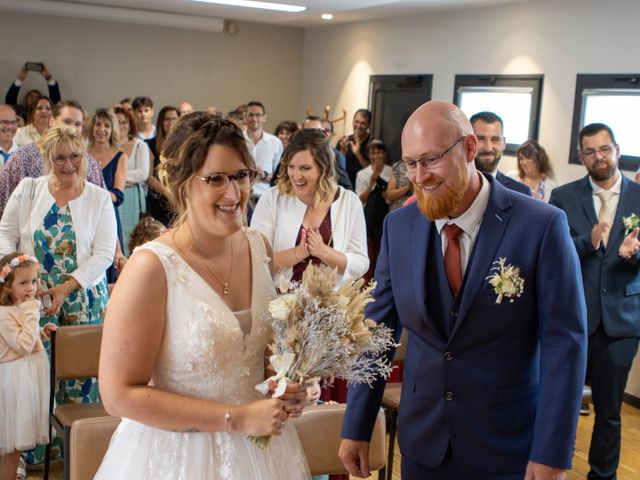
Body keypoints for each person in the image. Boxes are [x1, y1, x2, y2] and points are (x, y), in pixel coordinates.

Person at [339, 100, 587, 479]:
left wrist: (552, 451)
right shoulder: (400, 227)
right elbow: (378, 333)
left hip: (508, 444)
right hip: (423, 441)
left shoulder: (541, 226)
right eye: (411, 163)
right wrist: (357, 423)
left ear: (469, 149)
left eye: (431, 160)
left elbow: (564, 344)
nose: (419, 176)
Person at [94, 112, 310, 479]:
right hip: (178, 455)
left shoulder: (259, 249)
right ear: (180, 184)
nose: (234, 192)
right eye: (215, 179)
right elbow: (117, 395)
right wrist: (235, 418)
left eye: (241, 175)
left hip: (260, 450)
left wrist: (285, 383)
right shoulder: (151, 268)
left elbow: (265, 355)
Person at [0, 126, 116, 465]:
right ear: (48, 159)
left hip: (82, 299)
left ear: (84, 157)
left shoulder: (97, 197)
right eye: (60, 158)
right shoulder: (29, 189)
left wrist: (67, 287)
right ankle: (31, 457)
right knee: (34, 376)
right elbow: (5, 235)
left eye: (75, 156)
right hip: (31, 300)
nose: (69, 165)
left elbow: (104, 253)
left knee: (80, 379)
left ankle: (78, 454)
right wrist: (20, 273)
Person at [549, 123, 640, 480]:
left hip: (621, 321)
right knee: (561, 406)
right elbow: (554, 254)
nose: (598, 157)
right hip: (574, 318)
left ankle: (603, 476)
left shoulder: (639, 196)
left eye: (604, 149)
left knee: (610, 412)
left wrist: (635, 254)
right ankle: (553, 468)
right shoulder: (563, 197)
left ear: (617, 150)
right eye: (590, 151)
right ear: (581, 156)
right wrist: (588, 240)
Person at [251, 128, 368, 288]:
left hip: (329, 307)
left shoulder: (349, 202)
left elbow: (361, 263)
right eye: (291, 166)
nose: (296, 176)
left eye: (305, 168)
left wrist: (323, 252)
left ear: (324, 167)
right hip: (277, 305)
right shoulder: (272, 198)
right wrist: (299, 252)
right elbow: (256, 260)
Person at [0, 253, 56, 480]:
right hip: (16, 381)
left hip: (28, 377)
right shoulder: (5, 314)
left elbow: (29, 340)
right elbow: (22, 345)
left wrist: (42, 334)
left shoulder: (22, 308)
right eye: (23, 283)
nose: (31, 288)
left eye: (34, 281)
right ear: (7, 286)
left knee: (17, 448)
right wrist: (33, 312)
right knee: (11, 448)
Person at [0, 100, 105, 217]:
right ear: (52, 121)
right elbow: (3, 202)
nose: (72, 128)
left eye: (78, 124)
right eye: (67, 121)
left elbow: (102, 208)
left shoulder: (90, 163)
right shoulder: (23, 157)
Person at [87, 108, 128, 281]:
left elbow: (117, 195)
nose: (101, 129)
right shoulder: (83, 153)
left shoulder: (120, 156)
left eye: (107, 125)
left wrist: (95, 193)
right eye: (98, 124)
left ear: (112, 130)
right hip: (86, 215)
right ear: (92, 127)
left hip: (108, 216)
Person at [114, 106, 150, 256]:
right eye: (116, 122)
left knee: (130, 238)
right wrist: (127, 178)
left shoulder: (140, 145)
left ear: (130, 124)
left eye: (124, 122)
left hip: (132, 198)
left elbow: (142, 174)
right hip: (112, 196)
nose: (121, 126)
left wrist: (116, 177)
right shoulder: (106, 147)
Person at [470, 111, 532, 196]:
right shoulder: (451, 186)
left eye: (495, 139)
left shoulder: (521, 193)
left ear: (504, 144)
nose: (488, 148)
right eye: (481, 139)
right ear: (469, 143)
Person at [146, 106, 179, 227]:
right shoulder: (150, 144)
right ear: (161, 122)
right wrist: (168, 194)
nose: (170, 122)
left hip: (179, 198)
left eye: (174, 119)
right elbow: (148, 177)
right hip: (159, 199)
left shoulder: (184, 144)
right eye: (167, 119)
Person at [244, 101, 284, 202]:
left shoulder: (275, 142)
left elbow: (279, 176)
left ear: (264, 117)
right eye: (250, 115)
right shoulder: (237, 140)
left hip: (265, 196)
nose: (254, 119)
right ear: (245, 117)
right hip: (242, 194)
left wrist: (264, 175)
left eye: (258, 115)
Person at [339, 109, 372, 187]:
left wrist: (358, 154)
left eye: (363, 123)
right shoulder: (344, 141)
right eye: (356, 122)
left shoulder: (374, 144)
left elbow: (373, 172)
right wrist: (342, 152)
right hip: (345, 188)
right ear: (353, 121)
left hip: (364, 191)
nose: (359, 126)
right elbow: (335, 167)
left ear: (368, 125)